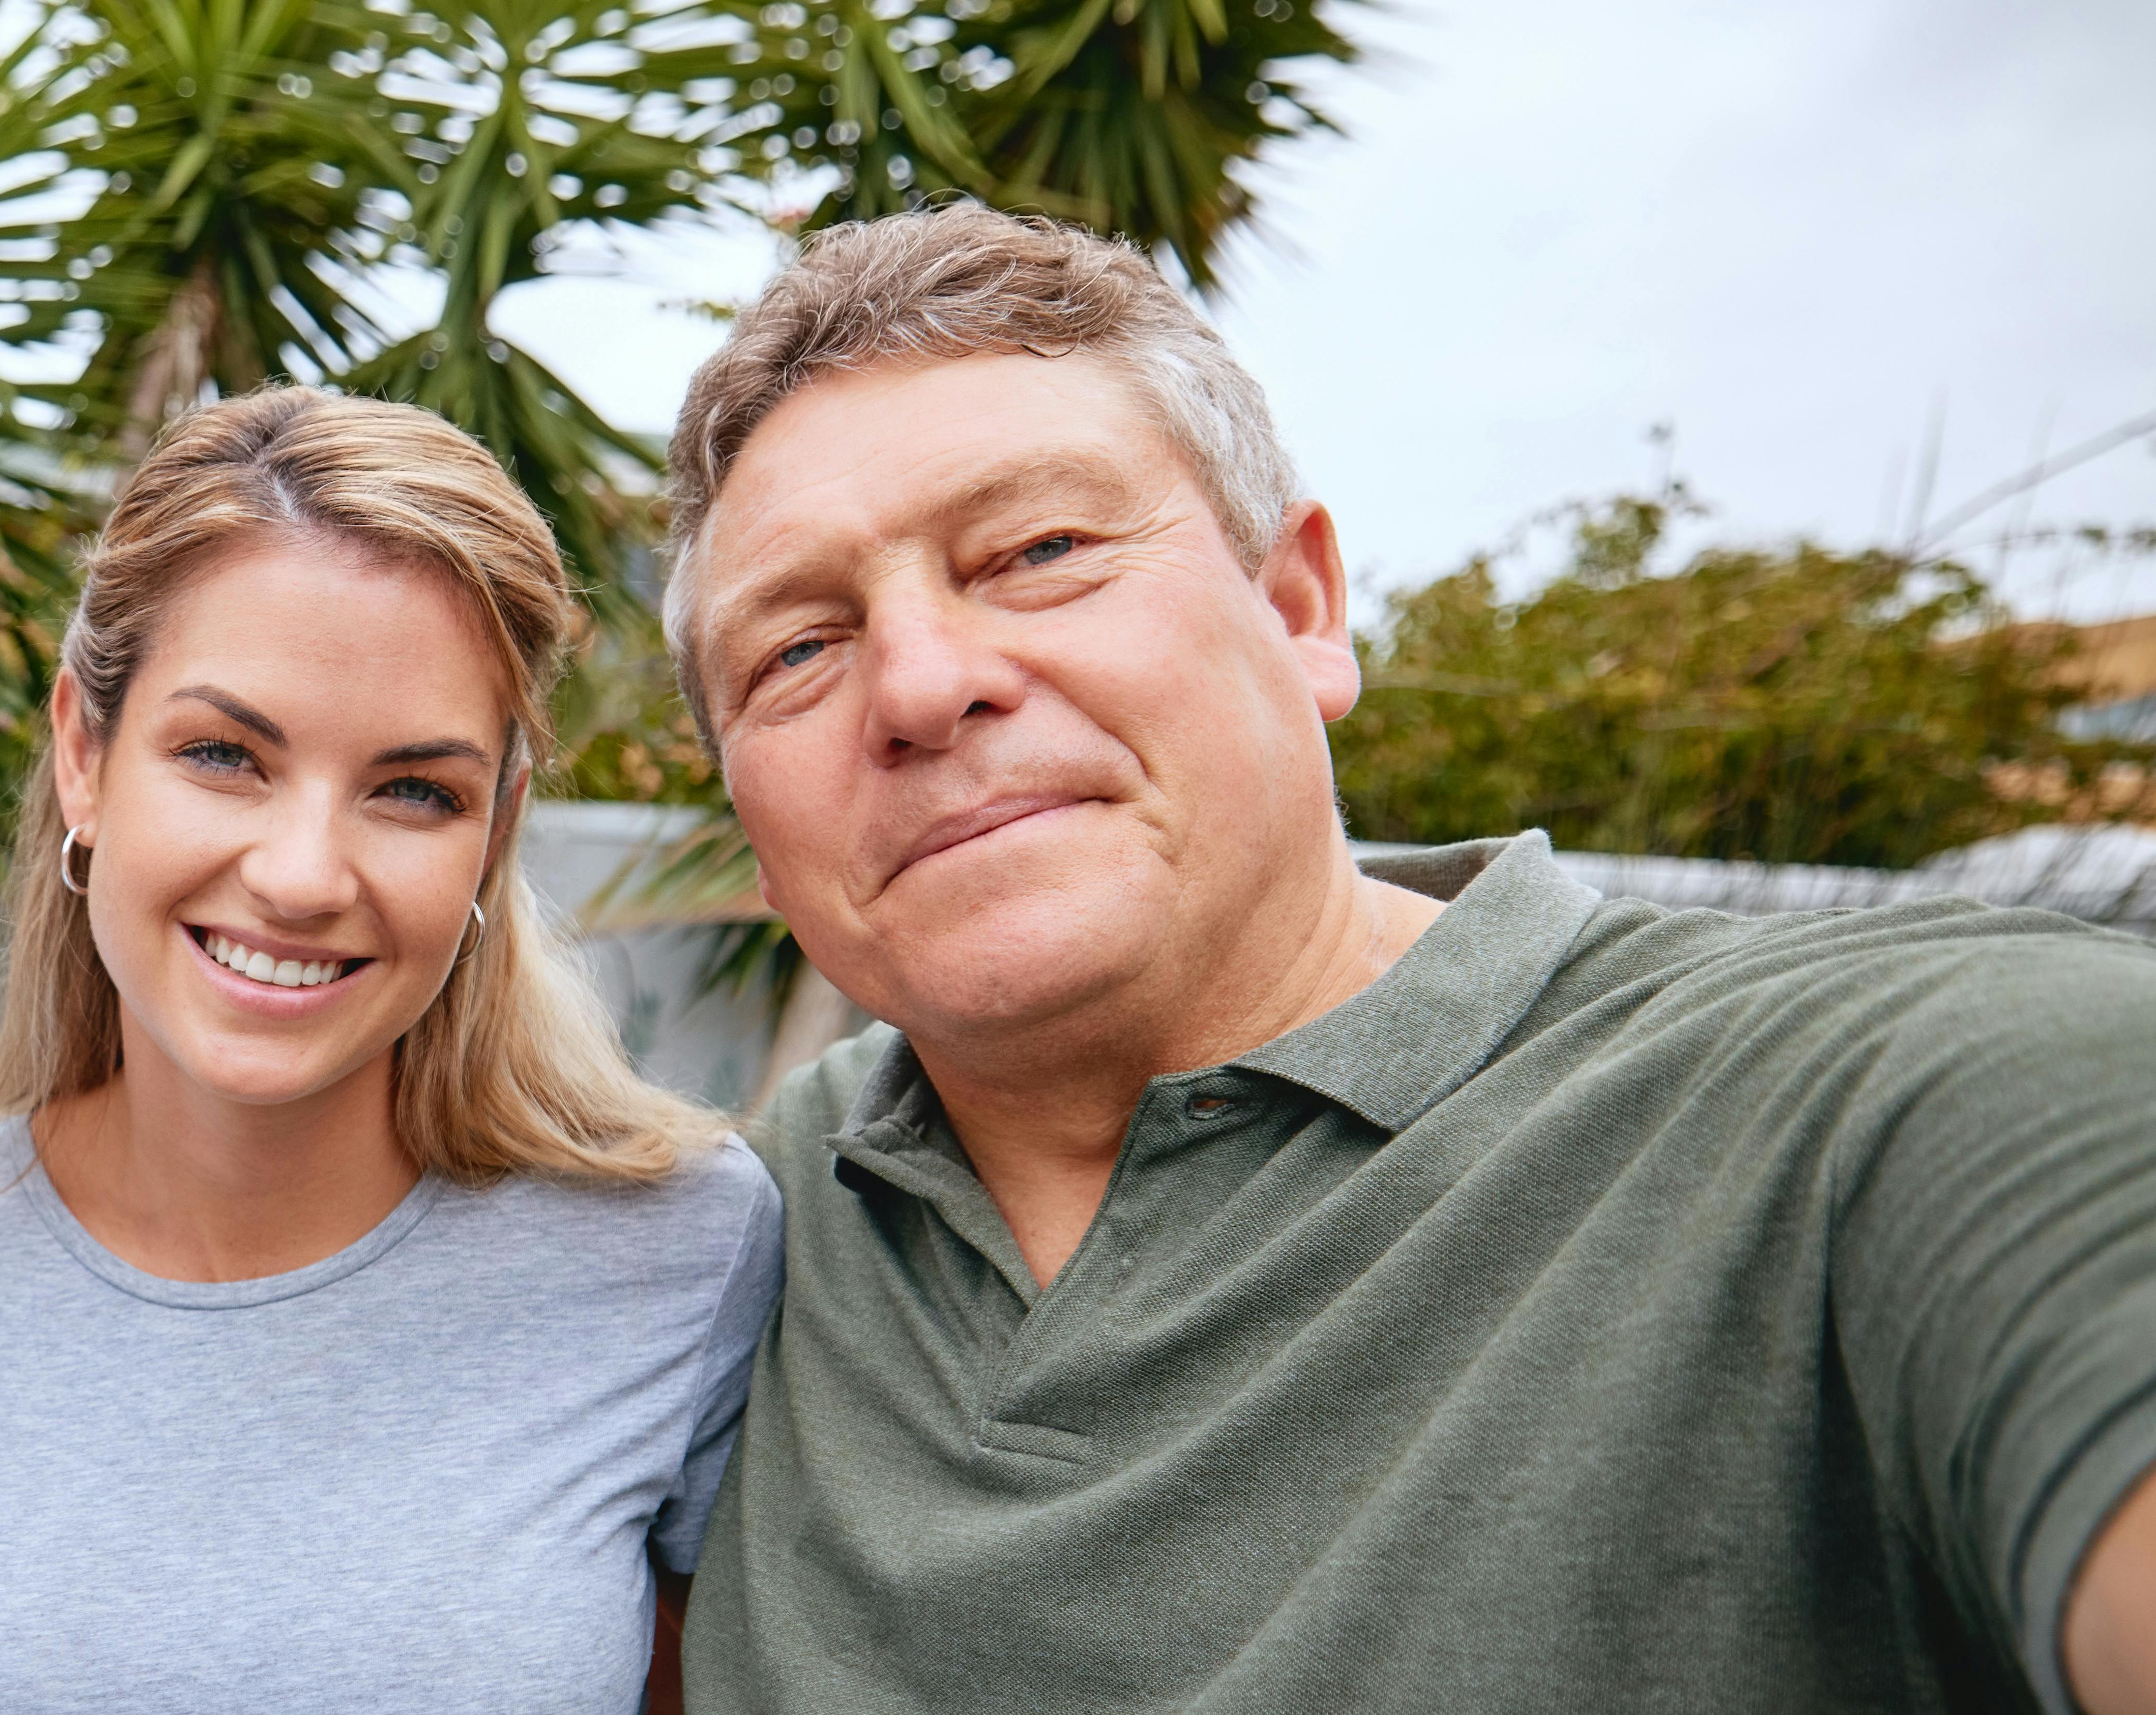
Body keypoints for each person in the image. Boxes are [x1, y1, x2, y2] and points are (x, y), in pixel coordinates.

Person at [656, 202, 2156, 1713]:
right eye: (794, 648)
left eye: (1039, 549)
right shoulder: (693, 1243)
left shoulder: (1894, 1104)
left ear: (1298, 607)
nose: (918, 683)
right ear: (748, 815)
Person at [0, 388, 782, 1715]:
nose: (304, 874)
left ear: (491, 834)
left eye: (412, 791)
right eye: (222, 754)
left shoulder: (681, 1246)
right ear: (84, 756)